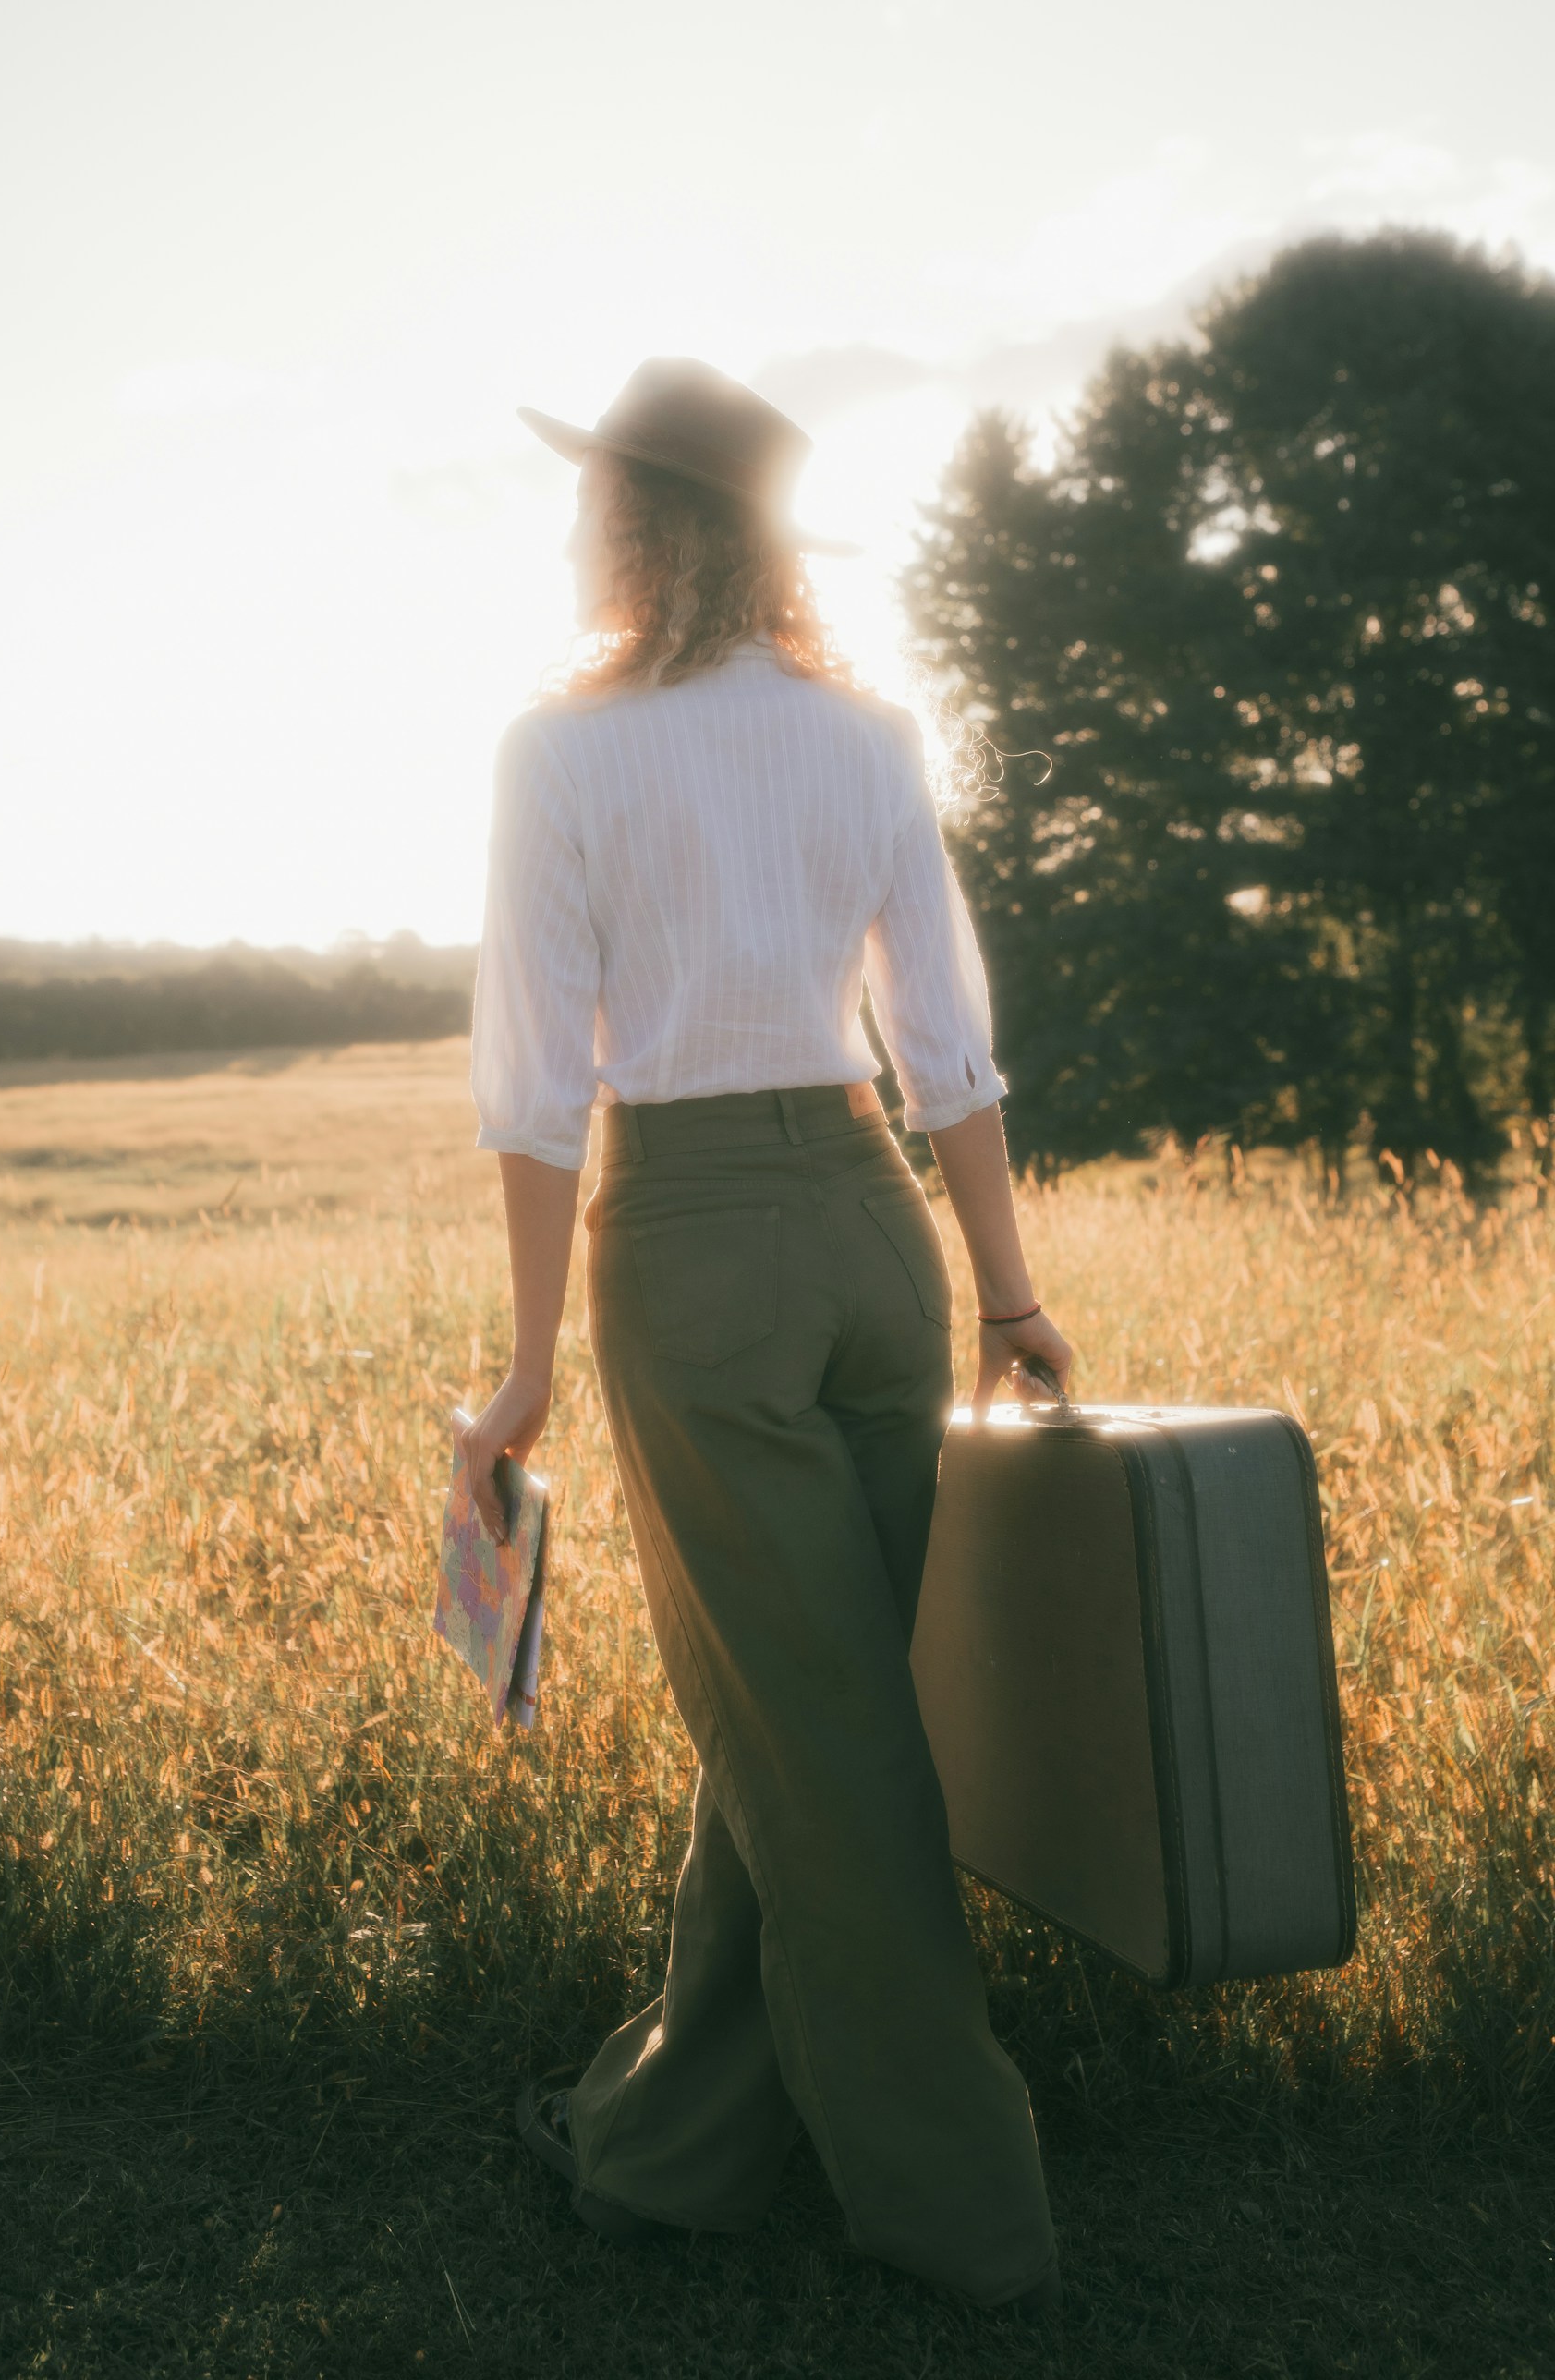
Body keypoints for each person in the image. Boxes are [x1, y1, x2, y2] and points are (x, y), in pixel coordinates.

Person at [456, 358, 1073, 2318]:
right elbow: (949, 1049)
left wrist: (528, 1362)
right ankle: (673, 2154)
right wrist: (1011, 1294)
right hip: (874, 1230)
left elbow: (539, 1090)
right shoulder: (867, 738)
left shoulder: (560, 756)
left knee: (825, 1746)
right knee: (796, 1718)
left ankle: (970, 2221)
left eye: (589, 502)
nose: (569, 533)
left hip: (697, 1243)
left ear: (650, 525)